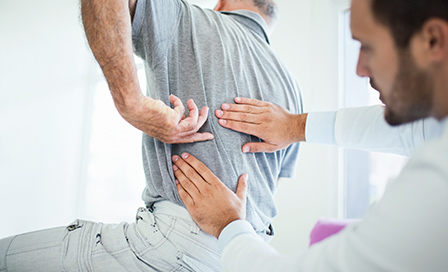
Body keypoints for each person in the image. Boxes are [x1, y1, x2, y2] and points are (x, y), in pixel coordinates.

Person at [0, 0, 303, 271]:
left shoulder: (190, 18)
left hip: (179, 245)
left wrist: (131, 103)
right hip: (246, 255)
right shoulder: (293, 92)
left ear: (222, 3)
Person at [171, 0, 448, 270]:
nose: (359, 69)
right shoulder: (436, 134)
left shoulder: (438, 179)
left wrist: (228, 225)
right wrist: (295, 126)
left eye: (368, 46)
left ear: (433, 41)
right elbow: (412, 131)